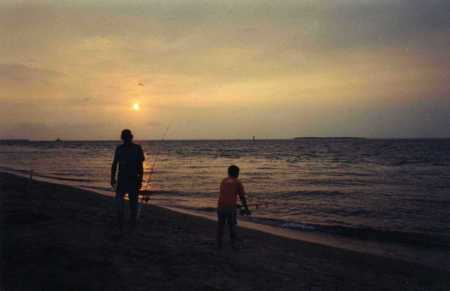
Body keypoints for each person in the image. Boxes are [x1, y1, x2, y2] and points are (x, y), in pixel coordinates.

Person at [111, 129, 145, 232]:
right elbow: (114, 164)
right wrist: (112, 178)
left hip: (133, 180)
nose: (126, 139)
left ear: (131, 137)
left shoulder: (137, 148)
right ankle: (120, 224)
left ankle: (132, 224)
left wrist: (140, 180)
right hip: (122, 180)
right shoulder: (119, 149)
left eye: (128, 137)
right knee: (119, 204)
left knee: (133, 204)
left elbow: (140, 166)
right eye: (125, 137)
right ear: (123, 138)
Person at [217, 165, 251, 250]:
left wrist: (236, 205)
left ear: (228, 173)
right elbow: (242, 197)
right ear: (236, 173)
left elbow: (226, 195)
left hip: (220, 206)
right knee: (232, 227)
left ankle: (219, 244)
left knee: (220, 226)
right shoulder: (238, 182)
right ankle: (233, 245)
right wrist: (246, 209)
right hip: (230, 209)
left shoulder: (223, 181)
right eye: (238, 172)